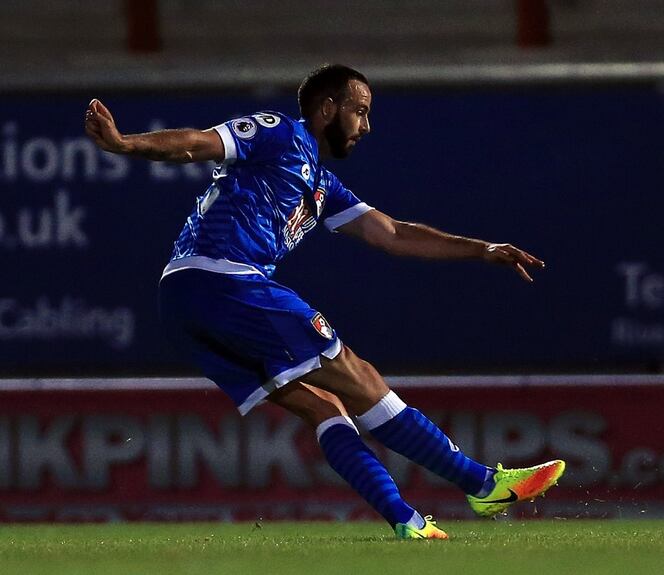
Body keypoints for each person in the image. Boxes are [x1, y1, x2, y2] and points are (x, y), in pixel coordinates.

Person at [83, 64, 564, 540]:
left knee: (325, 406)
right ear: (327, 108)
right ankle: (482, 484)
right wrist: (126, 144)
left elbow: (392, 233)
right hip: (224, 280)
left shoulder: (320, 185)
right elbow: (201, 141)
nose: (365, 126)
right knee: (358, 376)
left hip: (184, 304)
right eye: (359, 111)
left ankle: (407, 521)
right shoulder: (280, 134)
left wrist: (481, 249)